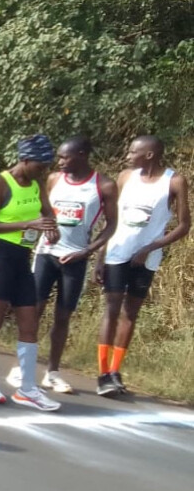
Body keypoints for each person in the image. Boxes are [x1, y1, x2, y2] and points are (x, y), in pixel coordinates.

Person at [0, 136, 116, 394]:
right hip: (46, 253)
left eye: (65, 157)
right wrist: (46, 227)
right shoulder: (53, 179)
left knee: (63, 316)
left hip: (75, 258)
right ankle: (20, 367)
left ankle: (52, 373)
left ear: (83, 155)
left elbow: (112, 225)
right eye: (59, 157)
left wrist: (87, 251)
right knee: (33, 310)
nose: (60, 162)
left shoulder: (104, 185)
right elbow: (42, 209)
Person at [95, 135, 189, 396]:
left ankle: (115, 371)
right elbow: (110, 219)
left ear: (149, 155)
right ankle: (102, 373)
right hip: (117, 252)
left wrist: (150, 248)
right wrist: (100, 257)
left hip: (146, 258)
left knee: (130, 313)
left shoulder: (174, 181)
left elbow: (184, 225)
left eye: (132, 151)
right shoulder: (126, 177)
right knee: (111, 309)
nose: (127, 155)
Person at [0, 134, 61, 411]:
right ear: (24, 159)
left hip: (23, 258)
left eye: (46, 165)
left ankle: (27, 388)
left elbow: (48, 213)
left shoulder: (37, 184)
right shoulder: (1, 182)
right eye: (39, 165)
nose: (43, 170)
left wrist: (52, 228)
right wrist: (28, 224)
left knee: (30, 322)